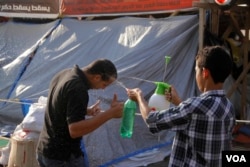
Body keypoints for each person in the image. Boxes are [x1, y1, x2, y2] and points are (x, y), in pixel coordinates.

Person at [127, 46, 235, 167]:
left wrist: (139, 97)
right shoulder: (228, 107)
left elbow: (151, 121)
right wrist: (178, 102)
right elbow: (197, 122)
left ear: (205, 73)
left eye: (196, 71)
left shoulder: (194, 106)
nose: (196, 75)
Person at [36, 59, 124, 167]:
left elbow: (58, 106)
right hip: (62, 157)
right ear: (97, 77)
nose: (103, 89)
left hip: (45, 149)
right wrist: (110, 114)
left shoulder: (65, 73)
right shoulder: (78, 88)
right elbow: (75, 130)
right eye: (104, 84)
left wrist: (85, 110)